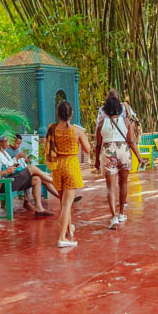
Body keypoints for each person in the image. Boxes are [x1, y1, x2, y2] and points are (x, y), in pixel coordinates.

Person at [94, 95, 143, 229]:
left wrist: (96, 161)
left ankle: (113, 217)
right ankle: (121, 213)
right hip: (124, 153)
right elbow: (132, 141)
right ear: (120, 109)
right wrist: (139, 157)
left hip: (108, 153)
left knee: (111, 187)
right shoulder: (126, 122)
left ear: (105, 109)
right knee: (123, 184)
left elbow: (98, 145)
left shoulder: (100, 124)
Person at [46, 101, 91, 248]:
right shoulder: (77, 131)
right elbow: (88, 150)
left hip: (57, 167)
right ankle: (62, 238)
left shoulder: (52, 129)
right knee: (67, 204)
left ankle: (69, 229)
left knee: (63, 203)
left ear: (58, 114)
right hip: (71, 166)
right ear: (71, 114)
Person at [0, 134, 52, 217]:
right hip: (3, 185)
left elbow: (2, 167)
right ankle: (52, 180)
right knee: (32, 168)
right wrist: (5, 172)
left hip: (6, 180)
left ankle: (39, 208)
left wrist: (10, 169)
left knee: (36, 179)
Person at [0, 133, 59, 210]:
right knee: (33, 170)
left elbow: (15, 163)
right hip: (11, 178)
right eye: (7, 141)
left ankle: (59, 197)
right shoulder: (4, 152)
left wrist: (25, 161)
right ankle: (52, 179)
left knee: (38, 178)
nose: (18, 145)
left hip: (17, 173)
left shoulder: (7, 152)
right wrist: (18, 157)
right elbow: (8, 165)